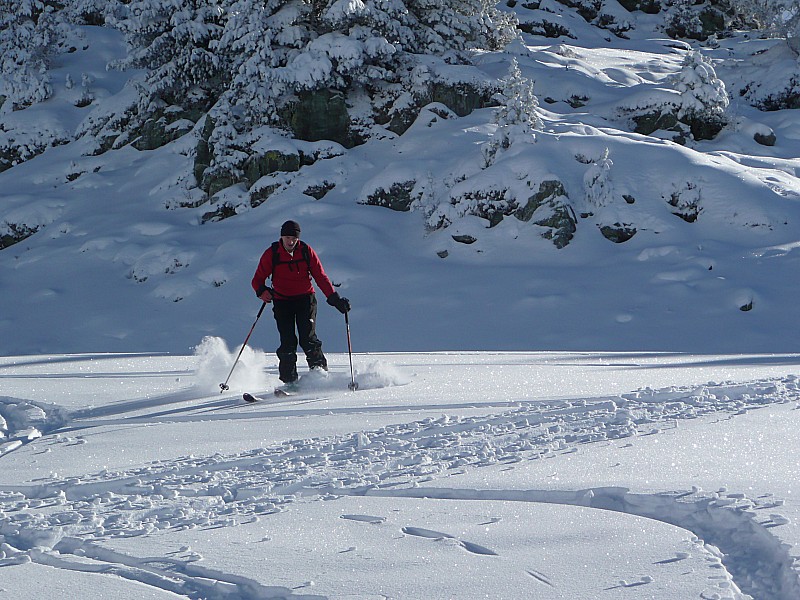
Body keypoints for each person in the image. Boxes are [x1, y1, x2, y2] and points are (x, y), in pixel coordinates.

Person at [251, 220, 350, 384]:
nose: (290, 242)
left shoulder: (306, 251)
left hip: (305, 300)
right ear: (281, 237)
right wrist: (262, 292)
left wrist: (335, 299)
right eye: (287, 238)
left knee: (308, 339)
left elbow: (320, 276)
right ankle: (289, 383)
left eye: (294, 238)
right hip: (282, 301)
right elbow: (257, 280)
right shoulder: (272, 253)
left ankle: (320, 377)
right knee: (287, 342)